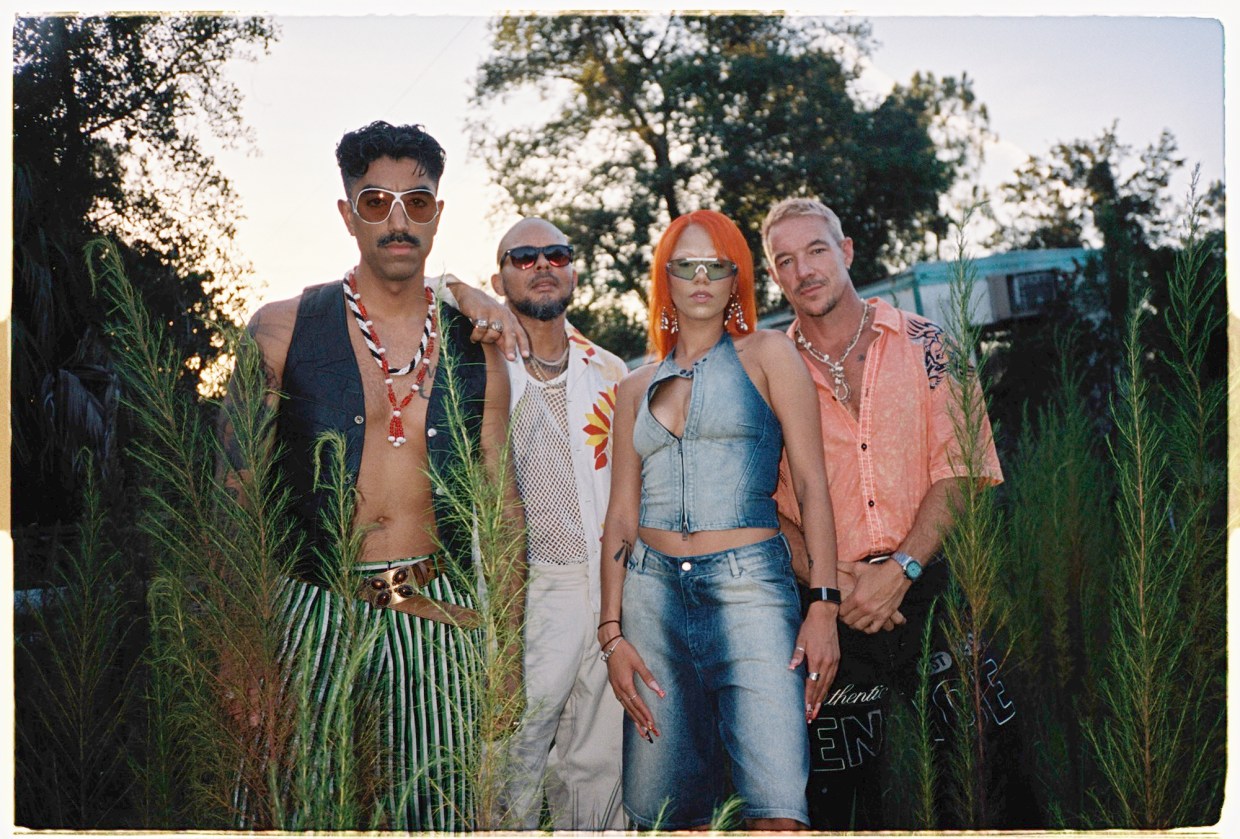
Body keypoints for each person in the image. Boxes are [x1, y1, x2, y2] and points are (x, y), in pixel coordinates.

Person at [227, 121, 524, 830]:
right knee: (307, 808)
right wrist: (243, 656)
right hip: (311, 613)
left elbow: (503, 506)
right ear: (347, 214)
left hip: (440, 617)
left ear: (438, 215)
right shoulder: (278, 330)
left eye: (417, 202)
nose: (398, 220)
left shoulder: (477, 347)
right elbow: (235, 498)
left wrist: (506, 656)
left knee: (438, 813)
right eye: (375, 201)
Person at [761, 197, 1021, 829]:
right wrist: (837, 583)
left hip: (935, 586)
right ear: (775, 277)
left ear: (846, 252)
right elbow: (759, 506)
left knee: (987, 779)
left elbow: (963, 465)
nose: (804, 271)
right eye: (785, 261)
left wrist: (899, 567)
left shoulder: (929, 343)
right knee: (846, 803)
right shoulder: (765, 375)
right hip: (828, 612)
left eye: (817, 250)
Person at [598, 209, 841, 831]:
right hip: (649, 600)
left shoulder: (769, 356)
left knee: (776, 808)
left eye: (716, 266)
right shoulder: (633, 387)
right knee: (669, 817)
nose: (700, 279)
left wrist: (823, 606)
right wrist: (611, 636)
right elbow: (621, 518)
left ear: (737, 279)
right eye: (686, 266)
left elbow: (813, 485)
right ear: (666, 278)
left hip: (750, 591)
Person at [488, 217, 629, 829]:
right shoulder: (476, 363)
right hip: (526, 589)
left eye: (557, 253)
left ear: (573, 269)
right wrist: (463, 293)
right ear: (500, 278)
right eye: (524, 257)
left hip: (605, 587)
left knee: (599, 763)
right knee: (509, 758)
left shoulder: (612, 372)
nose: (542, 264)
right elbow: (419, 289)